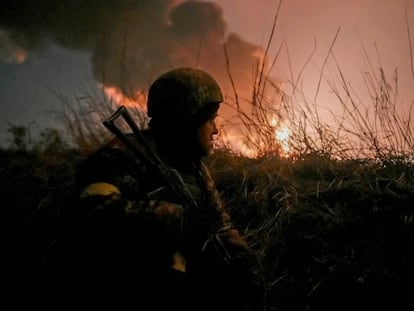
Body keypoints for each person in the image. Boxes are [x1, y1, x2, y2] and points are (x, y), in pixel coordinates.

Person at [44, 67, 265, 310]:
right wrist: (176, 217)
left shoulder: (194, 168)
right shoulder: (122, 156)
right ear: (187, 120)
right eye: (210, 119)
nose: (215, 129)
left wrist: (243, 258)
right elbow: (93, 212)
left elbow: (219, 223)